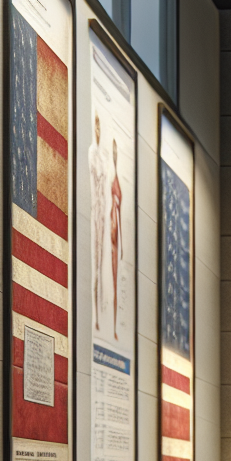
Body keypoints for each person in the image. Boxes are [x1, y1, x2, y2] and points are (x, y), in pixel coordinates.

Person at [88, 114, 109, 331]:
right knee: (95, 265)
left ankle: (100, 317)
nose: (98, 132)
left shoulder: (102, 158)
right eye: (96, 127)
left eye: (100, 127)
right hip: (95, 213)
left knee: (102, 265)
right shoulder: (92, 155)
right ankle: (95, 316)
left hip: (103, 215)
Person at [109, 139, 123, 340]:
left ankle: (113, 327)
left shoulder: (118, 181)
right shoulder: (110, 179)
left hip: (116, 236)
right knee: (111, 282)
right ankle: (110, 327)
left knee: (116, 285)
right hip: (110, 234)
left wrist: (124, 247)